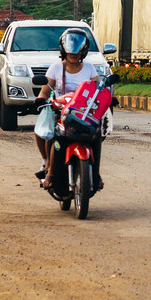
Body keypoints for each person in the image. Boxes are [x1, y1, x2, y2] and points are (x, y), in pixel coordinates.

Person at [33, 29, 100, 189]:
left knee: (97, 136)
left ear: (83, 51)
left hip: (84, 113)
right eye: (70, 50)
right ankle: (48, 167)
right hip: (61, 112)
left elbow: (97, 89)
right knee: (51, 134)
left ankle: (96, 175)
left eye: (78, 50)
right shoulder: (56, 68)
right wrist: (41, 98)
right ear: (64, 49)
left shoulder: (90, 69)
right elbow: (46, 89)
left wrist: (108, 98)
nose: (74, 53)